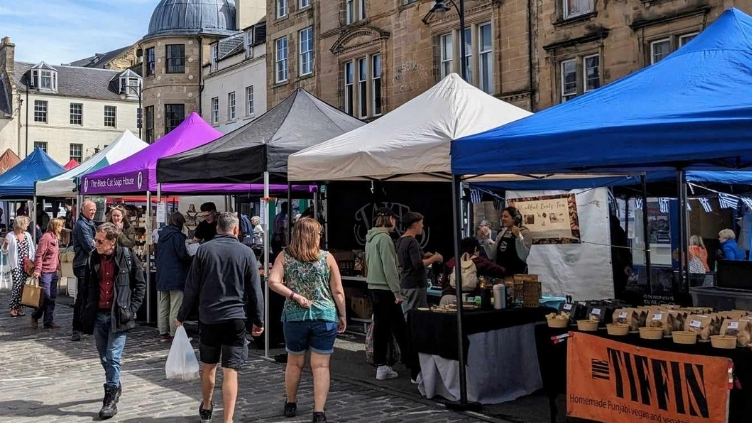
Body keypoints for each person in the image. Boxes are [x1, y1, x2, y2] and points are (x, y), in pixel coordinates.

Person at [176, 212, 264, 423]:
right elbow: (255, 290)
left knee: (208, 365)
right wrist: (259, 319)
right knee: (230, 370)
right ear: (236, 230)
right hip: (235, 317)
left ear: (217, 229)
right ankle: (228, 419)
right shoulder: (246, 253)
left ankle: (206, 406)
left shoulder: (204, 251)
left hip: (209, 316)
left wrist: (182, 315)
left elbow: (192, 287)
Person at [268, 217, 346, 423]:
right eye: (319, 233)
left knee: (294, 363)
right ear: (314, 235)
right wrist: (343, 314)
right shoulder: (327, 258)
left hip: (295, 316)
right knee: (320, 366)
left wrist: (294, 296)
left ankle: (291, 402)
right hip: (325, 315)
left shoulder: (284, 256)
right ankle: (318, 411)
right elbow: (337, 291)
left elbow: (273, 281)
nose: (321, 236)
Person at [80, 223, 146, 420]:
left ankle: (109, 399)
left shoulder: (127, 256)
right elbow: (87, 285)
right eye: (96, 240)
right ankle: (115, 383)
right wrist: (85, 307)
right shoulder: (93, 257)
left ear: (112, 241)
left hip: (119, 314)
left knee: (113, 356)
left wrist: (131, 309)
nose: (96, 243)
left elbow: (140, 285)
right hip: (98, 313)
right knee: (104, 358)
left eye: (100, 241)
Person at [365, 207, 410, 381]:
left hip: (373, 286)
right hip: (385, 288)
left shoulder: (370, 238)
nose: (396, 222)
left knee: (382, 327)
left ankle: (382, 364)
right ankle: (412, 365)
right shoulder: (384, 238)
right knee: (399, 327)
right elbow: (389, 267)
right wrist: (397, 292)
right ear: (389, 219)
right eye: (394, 219)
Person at [395, 212, 443, 315]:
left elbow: (407, 260)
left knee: (408, 313)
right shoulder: (412, 242)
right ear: (414, 224)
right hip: (415, 285)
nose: (423, 225)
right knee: (416, 316)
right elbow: (417, 264)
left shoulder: (400, 240)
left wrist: (424, 256)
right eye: (421, 223)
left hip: (405, 283)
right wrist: (435, 258)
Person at [155, 212, 192, 342]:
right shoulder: (178, 236)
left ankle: (163, 332)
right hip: (176, 274)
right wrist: (191, 258)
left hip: (162, 274)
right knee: (176, 305)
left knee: (163, 304)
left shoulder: (161, 235)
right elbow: (182, 255)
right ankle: (174, 333)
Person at [440, 237, 506, 305]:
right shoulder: (478, 261)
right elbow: (501, 271)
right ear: (475, 248)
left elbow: (442, 283)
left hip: (447, 298)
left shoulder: (453, 260)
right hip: (467, 300)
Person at [31, 218, 64, 329]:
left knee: (52, 297)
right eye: (60, 226)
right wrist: (37, 269)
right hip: (45, 272)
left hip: (53, 271)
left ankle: (48, 320)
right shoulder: (46, 238)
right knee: (45, 297)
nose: (61, 228)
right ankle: (35, 315)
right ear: (55, 226)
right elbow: (39, 254)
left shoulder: (55, 238)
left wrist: (58, 269)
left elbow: (55, 256)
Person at [71, 200, 97, 341]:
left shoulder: (90, 223)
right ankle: (77, 328)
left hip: (89, 264)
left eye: (94, 209)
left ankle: (86, 325)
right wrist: (97, 243)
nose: (93, 212)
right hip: (82, 265)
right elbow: (90, 246)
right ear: (83, 210)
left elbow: (96, 242)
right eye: (91, 209)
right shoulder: (81, 225)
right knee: (82, 297)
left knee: (89, 296)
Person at [2, 216, 36, 317]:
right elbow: (4, 251)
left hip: (27, 265)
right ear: (20, 224)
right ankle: (13, 307)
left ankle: (20, 307)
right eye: (26, 223)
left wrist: (32, 262)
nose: (27, 225)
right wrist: (5, 245)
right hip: (16, 264)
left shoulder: (27, 235)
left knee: (24, 287)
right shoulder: (10, 236)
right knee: (17, 286)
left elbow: (32, 249)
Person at [483, 206, 531, 276]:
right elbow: (491, 255)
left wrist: (518, 237)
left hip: (517, 277)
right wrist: (485, 240)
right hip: (501, 275)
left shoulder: (525, 233)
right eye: (502, 216)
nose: (502, 218)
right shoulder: (502, 233)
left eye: (505, 216)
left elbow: (523, 256)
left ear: (514, 218)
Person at [610, 214, 633, 298]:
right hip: (620, 265)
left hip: (617, 265)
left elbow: (621, 250)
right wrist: (627, 264)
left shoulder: (614, 232)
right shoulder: (619, 230)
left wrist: (625, 264)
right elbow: (624, 249)